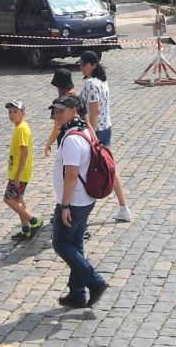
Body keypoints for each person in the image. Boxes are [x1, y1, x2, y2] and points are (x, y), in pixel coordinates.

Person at [46, 95, 107, 309]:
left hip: (75, 201)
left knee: (61, 244)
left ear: (73, 111)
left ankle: (95, 281)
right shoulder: (84, 130)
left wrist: (64, 206)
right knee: (76, 244)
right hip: (85, 198)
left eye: (61, 110)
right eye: (55, 110)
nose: (57, 114)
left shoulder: (72, 139)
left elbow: (71, 175)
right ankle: (77, 293)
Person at [78, 51, 131, 223]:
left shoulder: (91, 84)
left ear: (92, 65)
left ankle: (80, 212)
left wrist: (90, 135)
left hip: (96, 130)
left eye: (83, 64)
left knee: (86, 171)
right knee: (109, 168)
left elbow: (95, 110)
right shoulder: (102, 81)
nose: (81, 67)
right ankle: (123, 208)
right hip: (106, 127)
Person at [3, 100, 40, 241]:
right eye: (10, 112)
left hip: (19, 173)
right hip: (17, 172)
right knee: (18, 199)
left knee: (8, 199)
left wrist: (17, 177)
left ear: (23, 113)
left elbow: (24, 153)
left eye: (15, 112)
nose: (12, 115)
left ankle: (34, 220)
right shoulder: (20, 126)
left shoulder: (21, 129)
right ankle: (25, 230)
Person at [42, 69, 77, 154]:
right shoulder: (79, 99)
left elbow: (56, 129)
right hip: (80, 139)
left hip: (65, 142)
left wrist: (48, 144)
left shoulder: (58, 103)